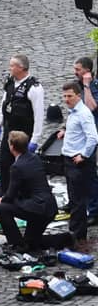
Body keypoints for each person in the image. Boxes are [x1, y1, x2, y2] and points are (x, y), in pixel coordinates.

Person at [0, 131, 57, 252]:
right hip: (48, 206)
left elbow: (10, 194)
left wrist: (1, 199)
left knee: (2, 208)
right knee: (32, 243)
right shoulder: (35, 158)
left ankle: (17, 244)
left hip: (36, 209)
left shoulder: (17, 167)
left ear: (12, 146)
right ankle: (66, 239)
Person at [0, 54, 44, 195]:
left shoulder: (34, 88)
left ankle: (22, 195)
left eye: (12, 66)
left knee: (22, 167)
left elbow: (39, 115)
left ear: (21, 68)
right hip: (9, 130)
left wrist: (35, 140)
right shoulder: (10, 82)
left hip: (24, 132)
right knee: (5, 163)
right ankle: (5, 193)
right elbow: (4, 103)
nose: (10, 68)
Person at [58, 81, 98, 241]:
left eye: (70, 96)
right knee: (74, 198)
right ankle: (76, 231)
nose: (66, 99)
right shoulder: (74, 112)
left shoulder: (83, 113)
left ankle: (77, 233)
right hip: (70, 160)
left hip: (78, 162)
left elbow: (93, 138)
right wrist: (65, 131)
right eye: (65, 96)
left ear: (78, 96)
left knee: (78, 200)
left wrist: (84, 155)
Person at [73, 56, 98, 225]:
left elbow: (91, 106)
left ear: (87, 71)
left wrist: (87, 86)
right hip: (80, 135)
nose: (75, 72)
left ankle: (94, 210)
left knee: (90, 174)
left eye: (78, 70)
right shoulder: (78, 86)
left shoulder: (92, 86)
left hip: (92, 134)